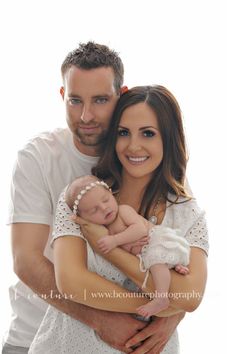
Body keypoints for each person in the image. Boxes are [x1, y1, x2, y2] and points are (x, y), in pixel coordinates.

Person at [3, 42, 185, 354]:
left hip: (133, 336)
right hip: (36, 335)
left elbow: (179, 246)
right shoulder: (38, 157)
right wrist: (98, 319)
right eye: (75, 101)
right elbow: (27, 260)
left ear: (122, 94)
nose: (86, 115)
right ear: (63, 96)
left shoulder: (144, 157)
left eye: (100, 100)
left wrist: (172, 314)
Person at [28, 85, 208, 354]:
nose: (133, 145)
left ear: (168, 139)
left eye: (148, 133)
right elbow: (72, 283)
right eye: (124, 133)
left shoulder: (188, 215)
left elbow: (190, 297)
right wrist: (162, 304)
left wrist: (109, 247)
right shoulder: (83, 197)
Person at [65, 174, 190, 318]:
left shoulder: (123, 211)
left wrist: (116, 240)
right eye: (94, 210)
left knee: (157, 263)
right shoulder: (104, 230)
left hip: (156, 240)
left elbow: (140, 230)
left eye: (105, 200)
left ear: (111, 194)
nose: (104, 208)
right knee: (153, 268)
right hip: (146, 255)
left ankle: (161, 298)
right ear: (84, 217)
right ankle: (175, 266)